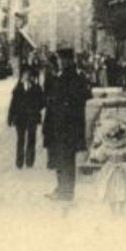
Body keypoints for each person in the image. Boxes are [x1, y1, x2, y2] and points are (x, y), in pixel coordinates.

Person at [43, 50, 91, 202]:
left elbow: (78, 100)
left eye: (64, 60)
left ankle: (66, 191)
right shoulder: (62, 76)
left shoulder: (74, 78)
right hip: (59, 126)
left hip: (66, 127)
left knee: (66, 159)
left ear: (70, 61)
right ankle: (62, 188)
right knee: (60, 158)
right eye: (60, 59)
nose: (61, 62)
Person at [89, 112, 126, 216]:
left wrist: (93, 149)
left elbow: (98, 157)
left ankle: (117, 210)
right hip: (121, 171)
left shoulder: (107, 148)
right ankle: (118, 210)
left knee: (115, 190)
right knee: (119, 190)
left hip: (111, 170)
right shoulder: (124, 147)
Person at [7, 67, 45, 169]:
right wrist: (10, 117)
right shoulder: (17, 89)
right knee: (20, 139)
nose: (27, 76)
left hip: (32, 117)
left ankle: (30, 161)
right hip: (20, 117)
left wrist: (36, 108)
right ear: (22, 76)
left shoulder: (37, 88)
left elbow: (42, 102)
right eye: (25, 74)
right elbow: (13, 104)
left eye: (28, 74)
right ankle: (19, 161)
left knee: (31, 138)